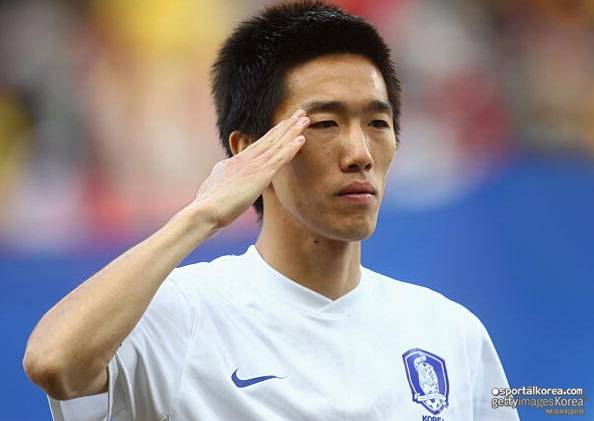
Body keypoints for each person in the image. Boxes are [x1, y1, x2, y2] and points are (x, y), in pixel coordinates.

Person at [23, 1, 519, 420]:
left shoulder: (451, 333)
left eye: (377, 123)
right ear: (248, 151)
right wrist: (201, 215)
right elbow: (53, 362)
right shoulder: (183, 315)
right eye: (325, 124)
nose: (360, 153)